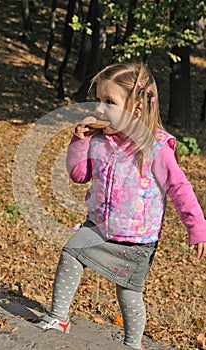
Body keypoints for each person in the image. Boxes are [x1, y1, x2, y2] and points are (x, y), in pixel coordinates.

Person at [35, 62, 206, 350]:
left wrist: (197, 228)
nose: (99, 109)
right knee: (70, 253)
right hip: (99, 226)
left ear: (136, 110)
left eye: (109, 102)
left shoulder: (156, 148)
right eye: (98, 100)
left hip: (136, 239)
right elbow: (79, 175)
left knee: (128, 294)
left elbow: (180, 189)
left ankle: (132, 343)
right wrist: (79, 140)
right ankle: (58, 317)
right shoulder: (99, 140)